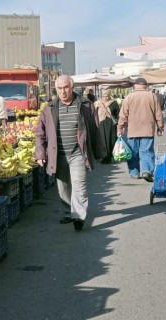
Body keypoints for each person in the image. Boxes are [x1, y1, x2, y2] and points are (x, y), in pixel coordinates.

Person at [34, 75, 106, 231]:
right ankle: (68, 212)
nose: (62, 91)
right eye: (59, 88)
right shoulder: (50, 108)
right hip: (57, 154)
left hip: (78, 153)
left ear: (72, 87)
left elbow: (94, 129)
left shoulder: (86, 106)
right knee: (64, 186)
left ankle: (78, 217)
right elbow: (40, 132)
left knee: (79, 185)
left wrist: (99, 151)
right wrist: (40, 154)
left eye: (65, 87)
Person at [117, 77, 164, 182]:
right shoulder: (152, 96)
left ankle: (134, 172)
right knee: (147, 151)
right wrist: (160, 127)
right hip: (148, 129)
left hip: (133, 130)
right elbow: (158, 113)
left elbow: (123, 115)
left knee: (133, 152)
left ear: (135, 85)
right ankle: (146, 170)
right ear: (146, 85)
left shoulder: (129, 97)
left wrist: (120, 128)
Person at [94, 90, 119, 164]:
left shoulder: (114, 103)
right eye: (104, 96)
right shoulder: (98, 104)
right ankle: (103, 156)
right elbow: (94, 114)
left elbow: (118, 113)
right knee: (102, 140)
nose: (106, 97)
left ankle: (110, 156)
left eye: (107, 96)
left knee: (111, 140)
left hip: (111, 124)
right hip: (101, 124)